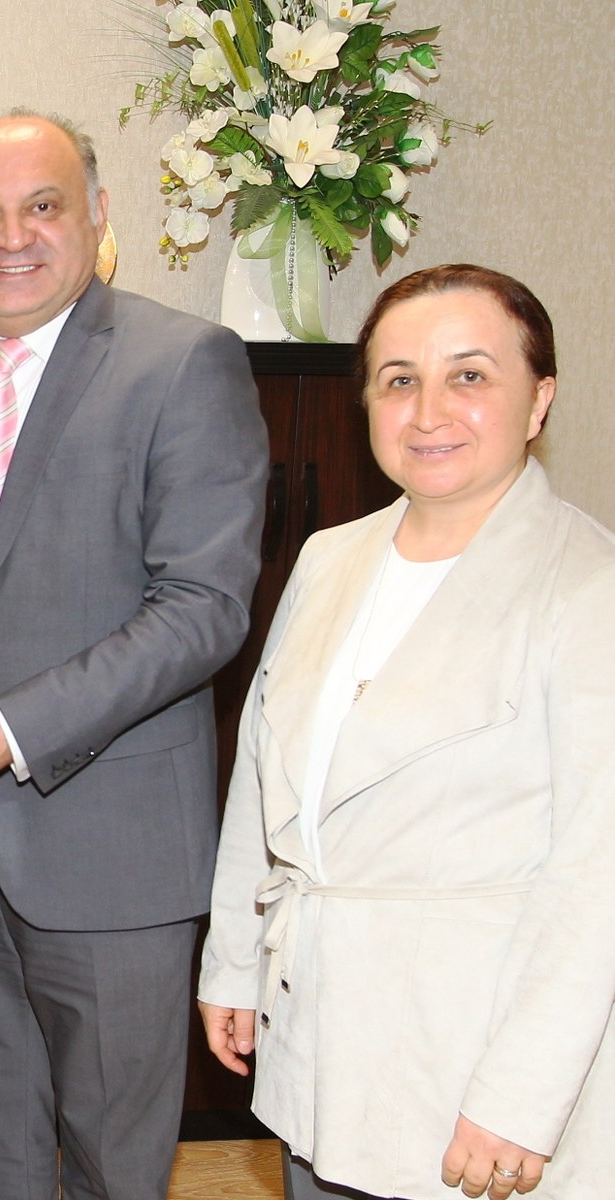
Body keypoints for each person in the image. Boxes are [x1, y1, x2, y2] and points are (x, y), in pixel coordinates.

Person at [0, 110, 269, 1200]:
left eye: (41, 206)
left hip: (109, 848)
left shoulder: (184, 362)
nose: (9, 237)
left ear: (98, 214)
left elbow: (203, 607)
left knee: (114, 1163)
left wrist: (13, 728)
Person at [199, 264, 615, 1200]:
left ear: (538, 399)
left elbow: (596, 880)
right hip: (320, 1040)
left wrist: (519, 1099)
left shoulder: (588, 587)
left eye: (468, 375)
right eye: (398, 379)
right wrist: (232, 960)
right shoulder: (328, 557)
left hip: (472, 1071)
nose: (427, 411)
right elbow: (262, 779)